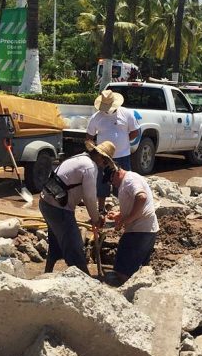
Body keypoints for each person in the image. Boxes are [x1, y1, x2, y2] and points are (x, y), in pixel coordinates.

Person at [40, 141, 116, 275]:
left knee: (56, 243)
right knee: (75, 248)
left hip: (46, 202)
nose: (102, 166)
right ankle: (85, 280)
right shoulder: (90, 167)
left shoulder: (78, 158)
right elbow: (89, 197)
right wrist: (96, 219)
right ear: (100, 156)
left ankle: (47, 274)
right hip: (59, 209)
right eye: (105, 162)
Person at [86, 89, 140, 212]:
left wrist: (124, 141)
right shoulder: (96, 117)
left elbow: (135, 131)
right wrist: (95, 151)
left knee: (124, 183)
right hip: (103, 157)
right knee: (102, 182)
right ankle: (101, 209)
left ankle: (124, 209)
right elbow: (89, 136)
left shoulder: (126, 114)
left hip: (123, 155)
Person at [106, 165, 158, 285]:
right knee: (136, 269)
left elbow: (142, 197)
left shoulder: (129, 180)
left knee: (124, 271)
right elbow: (137, 204)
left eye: (111, 180)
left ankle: (126, 291)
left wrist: (127, 220)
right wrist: (120, 214)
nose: (112, 184)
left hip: (140, 230)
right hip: (144, 230)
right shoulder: (128, 180)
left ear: (117, 173)